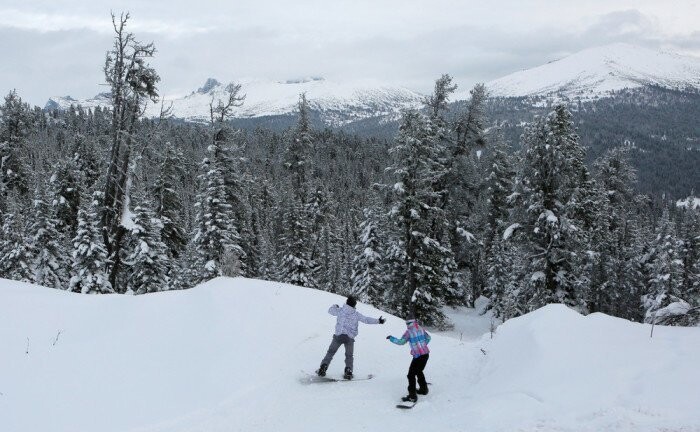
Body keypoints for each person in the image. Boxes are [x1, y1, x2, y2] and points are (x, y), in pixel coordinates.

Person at [317, 295, 385, 379]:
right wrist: (378, 321)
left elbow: (330, 311)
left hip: (338, 335)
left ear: (346, 303)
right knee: (349, 355)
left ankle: (323, 367)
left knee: (331, 352)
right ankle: (348, 371)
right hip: (349, 338)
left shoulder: (340, 310)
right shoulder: (356, 314)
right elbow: (366, 319)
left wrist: (335, 306)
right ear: (354, 305)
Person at [387, 318, 431, 402]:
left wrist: (391, 338)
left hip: (418, 356)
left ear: (408, 323)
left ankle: (412, 396)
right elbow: (428, 338)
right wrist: (422, 346)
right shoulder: (420, 328)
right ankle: (423, 389)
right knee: (419, 371)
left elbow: (401, 342)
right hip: (425, 354)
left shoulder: (409, 332)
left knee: (411, 375)